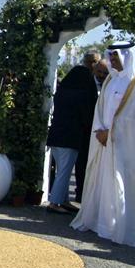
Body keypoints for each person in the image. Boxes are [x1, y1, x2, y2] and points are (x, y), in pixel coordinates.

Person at [71, 41, 135, 246]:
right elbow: (101, 110)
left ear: (128, 56)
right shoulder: (110, 81)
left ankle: (122, 227)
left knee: (125, 186)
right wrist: (100, 131)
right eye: (110, 55)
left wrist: (111, 133)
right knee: (105, 183)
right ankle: (102, 223)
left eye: (116, 55)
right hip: (105, 143)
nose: (112, 58)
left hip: (129, 145)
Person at [45, 66, 98, 214]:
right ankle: (54, 203)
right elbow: (86, 117)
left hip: (55, 136)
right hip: (70, 137)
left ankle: (64, 200)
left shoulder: (61, 92)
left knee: (62, 171)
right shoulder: (81, 95)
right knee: (64, 171)